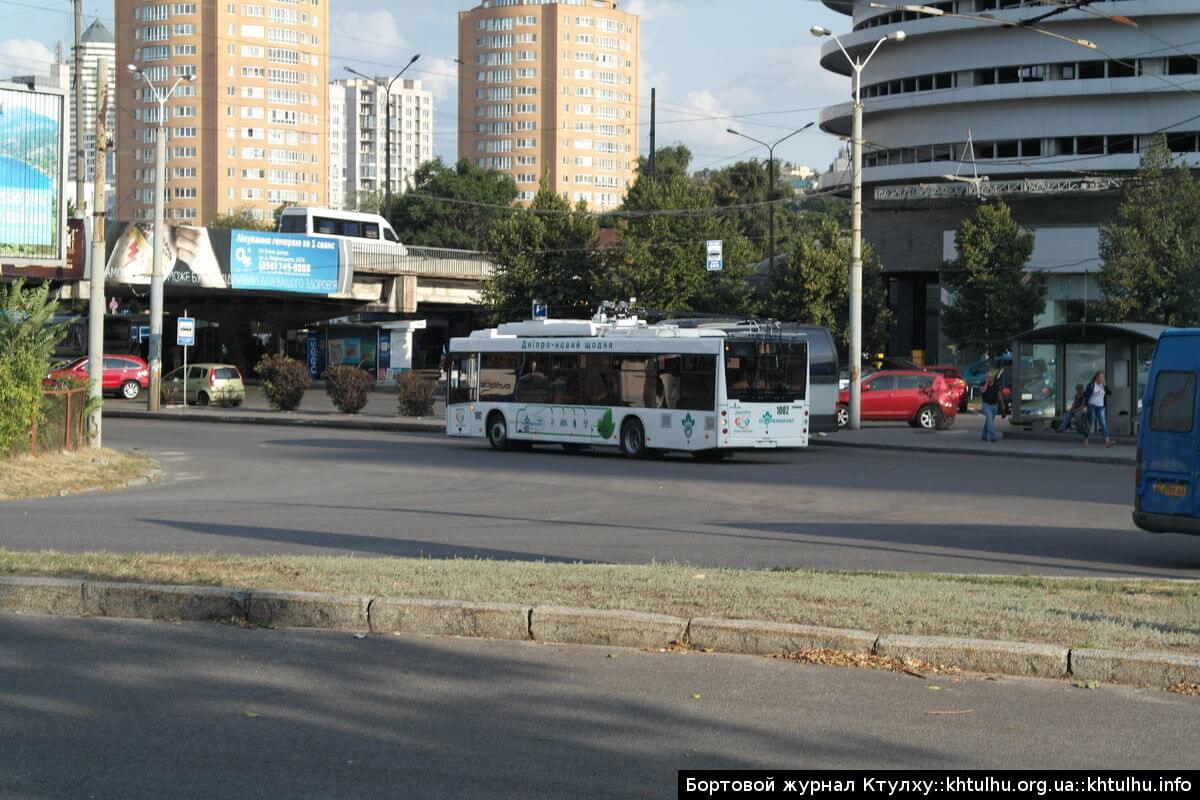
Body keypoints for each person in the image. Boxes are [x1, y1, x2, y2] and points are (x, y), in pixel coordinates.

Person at [1082, 371, 1115, 447]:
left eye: (1103, 377)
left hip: (1101, 407)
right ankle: (1085, 440)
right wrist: (1085, 406)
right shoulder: (1091, 385)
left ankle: (1107, 441)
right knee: (1089, 423)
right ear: (1096, 377)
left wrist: (1105, 385)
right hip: (1092, 406)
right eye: (1101, 376)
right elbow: (1086, 396)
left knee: (1103, 423)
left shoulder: (1103, 385)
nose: (1102, 378)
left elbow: (1110, 393)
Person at [980, 366, 1001, 442]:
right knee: (989, 421)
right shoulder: (983, 384)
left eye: (991, 377)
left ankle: (984, 435)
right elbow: (983, 391)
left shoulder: (996, 385)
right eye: (988, 377)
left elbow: (999, 395)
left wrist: (1003, 405)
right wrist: (986, 383)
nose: (990, 379)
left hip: (994, 406)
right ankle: (993, 436)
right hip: (986, 405)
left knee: (989, 421)